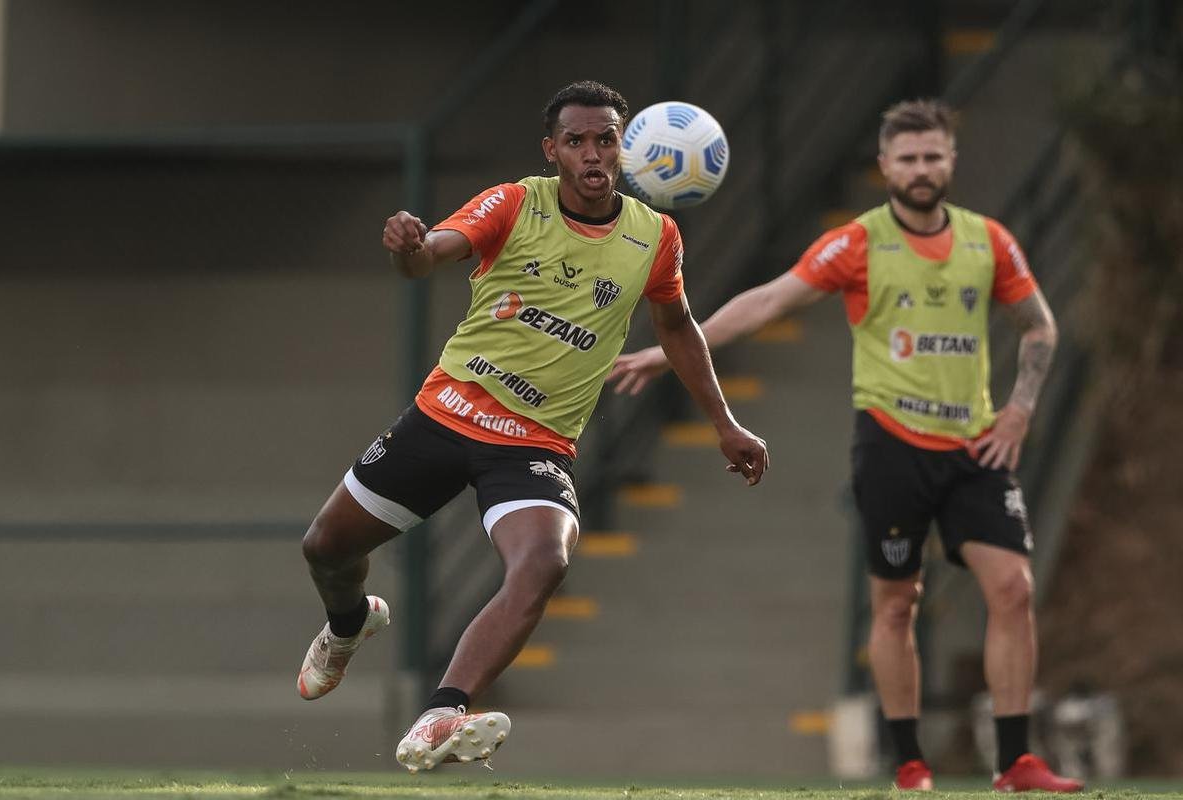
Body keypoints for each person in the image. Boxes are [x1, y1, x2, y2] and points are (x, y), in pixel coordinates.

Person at [609, 99, 1082, 793]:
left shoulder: (990, 242)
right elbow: (769, 300)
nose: (921, 169)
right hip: (892, 445)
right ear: (886, 165)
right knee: (896, 604)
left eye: (933, 156)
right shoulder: (858, 242)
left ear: (951, 162)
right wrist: (671, 350)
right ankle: (910, 764)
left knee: (1013, 589)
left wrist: (1020, 410)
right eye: (908, 158)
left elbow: (1039, 327)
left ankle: (1015, 762)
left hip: (975, 447)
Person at [296, 80, 769, 774]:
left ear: (627, 147)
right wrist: (408, 246)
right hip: (447, 415)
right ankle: (348, 624)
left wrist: (724, 422)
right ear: (552, 150)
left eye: (605, 139)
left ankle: (443, 711)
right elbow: (430, 255)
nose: (592, 153)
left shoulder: (655, 236)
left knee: (545, 560)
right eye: (576, 141)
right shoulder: (516, 203)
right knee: (325, 548)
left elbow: (676, 325)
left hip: (533, 445)